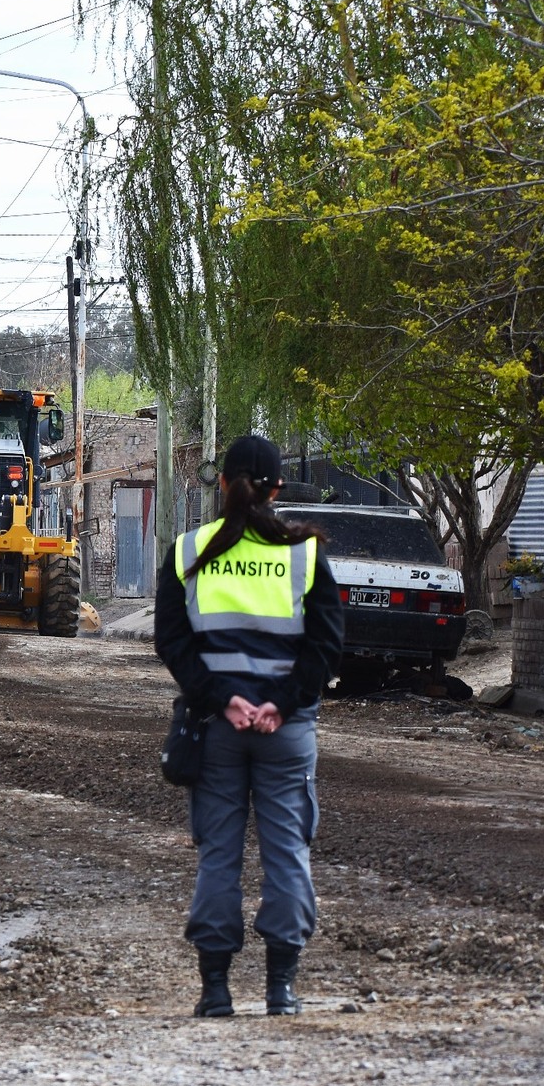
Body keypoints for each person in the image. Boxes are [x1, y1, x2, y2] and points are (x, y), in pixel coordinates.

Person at [154, 434, 344, 1018]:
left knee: (219, 855)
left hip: (216, 729)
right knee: (287, 853)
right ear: (277, 489)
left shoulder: (189, 551)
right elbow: (326, 646)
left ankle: (215, 992)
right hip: (285, 733)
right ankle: (280, 990)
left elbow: (172, 643)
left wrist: (224, 701)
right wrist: (279, 705)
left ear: (222, 483)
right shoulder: (304, 555)